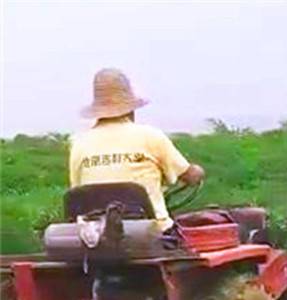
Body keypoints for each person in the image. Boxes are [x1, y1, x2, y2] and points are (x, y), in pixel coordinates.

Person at [69, 68, 205, 231]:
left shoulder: (79, 143)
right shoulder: (150, 136)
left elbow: (77, 190)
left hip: (95, 236)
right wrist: (197, 172)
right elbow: (188, 175)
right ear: (131, 108)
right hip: (151, 233)